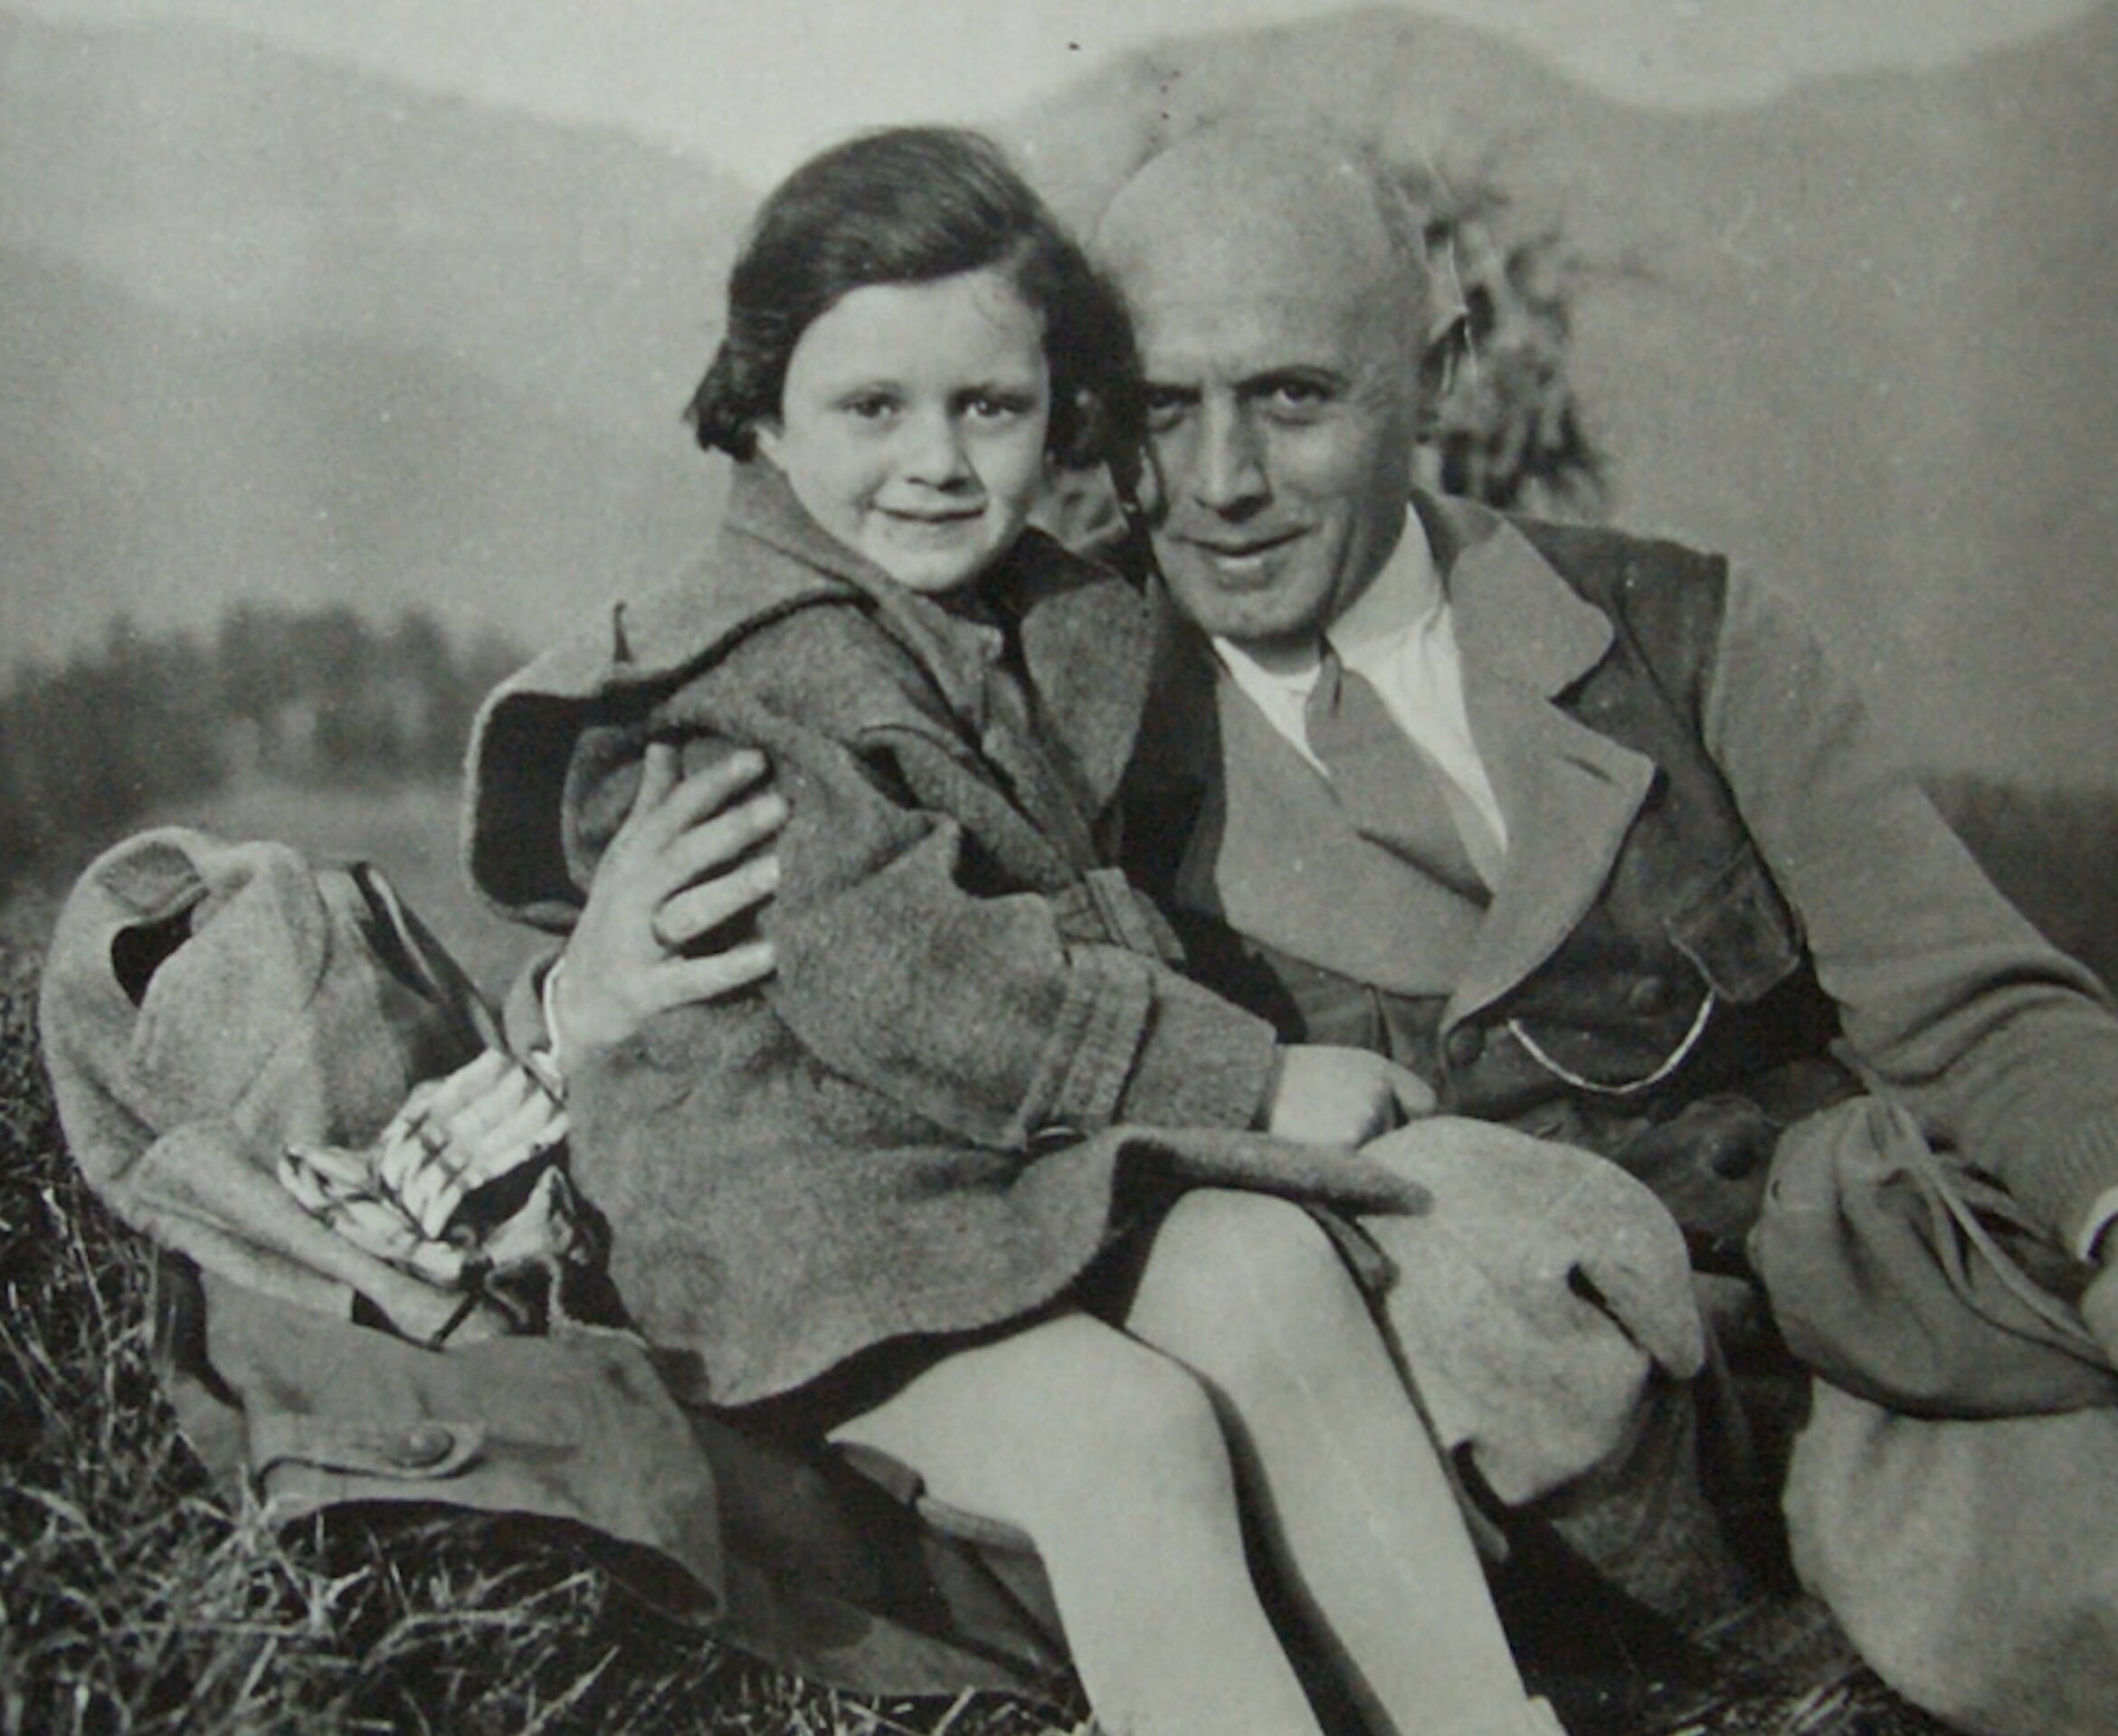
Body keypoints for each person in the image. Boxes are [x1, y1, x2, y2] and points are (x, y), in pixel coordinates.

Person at [564, 125, 2118, 1736]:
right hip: (1500, 1472)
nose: (1225, 480)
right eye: (1162, 411)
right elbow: (810, 925)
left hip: (1866, 1379)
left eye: (1297, 398)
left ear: (1443, 378)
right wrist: (588, 983)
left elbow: (1977, 1000)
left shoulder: (1675, 633)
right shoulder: (1059, 704)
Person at [464, 126, 1568, 1736]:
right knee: (1129, 1436)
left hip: (976, 1182)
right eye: (870, 409)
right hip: (804, 1237)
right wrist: (1245, 1084)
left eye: (989, 406)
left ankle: (1476, 1718)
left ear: (1058, 412)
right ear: (761, 413)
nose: (935, 461)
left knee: (1261, 1260)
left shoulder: (1015, 616)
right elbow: (915, 984)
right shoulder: (770, 668)